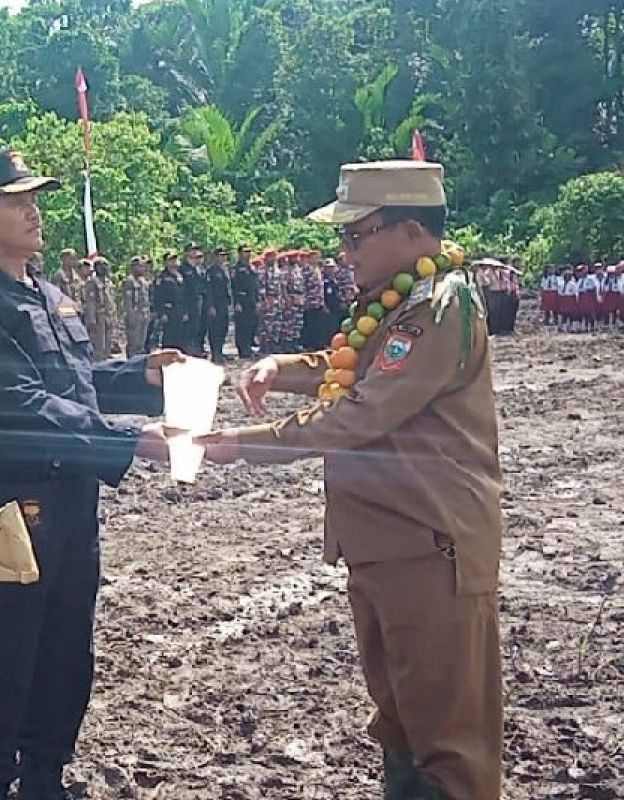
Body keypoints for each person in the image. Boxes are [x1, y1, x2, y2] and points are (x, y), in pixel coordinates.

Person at [200, 160, 504, 800]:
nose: (344, 253)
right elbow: (353, 368)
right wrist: (280, 367)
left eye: (357, 236)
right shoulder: (398, 302)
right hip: (388, 546)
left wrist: (244, 444)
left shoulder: (440, 306)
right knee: (398, 718)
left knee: (449, 742)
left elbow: (364, 411)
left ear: (414, 231)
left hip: (431, 545)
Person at [0, 147, 179, 800]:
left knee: (67, 651)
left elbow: (76, 384)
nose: (33, 211)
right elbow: (23, 405)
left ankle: (45, 777)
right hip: (15, 503)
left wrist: (141, 377)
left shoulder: (49, 296)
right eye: (17, 201)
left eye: (34, 198)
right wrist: (133, 443)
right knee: (6, 656)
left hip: (73, 499)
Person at [152, 251, 187, 351]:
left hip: (179, 310)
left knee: (179, 338)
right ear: (166, 262)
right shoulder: (162, 277)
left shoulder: (180, 276)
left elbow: (184, 295)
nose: (173, 262)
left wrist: (185, 311)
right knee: (168, 338)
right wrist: (162, 313)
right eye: (171, 260)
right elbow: (158, 297)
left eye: (175, 260)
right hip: (168, 310)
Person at [178, 243, 208, 356]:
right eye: (192, 250)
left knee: (200, 327)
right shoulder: (183, 269)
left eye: (196, 250)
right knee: (190, 328)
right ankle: (189, 351)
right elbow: (182, 290)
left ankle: (198, 348)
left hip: (199, 300)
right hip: (189, 302)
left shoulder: (199, 268)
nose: (194, 252)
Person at [205, 246, 233, 363]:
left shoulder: (226, 269)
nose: (223, 257)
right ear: (215, 257)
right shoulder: (211, 271)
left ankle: (220, 351)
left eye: (224, 255)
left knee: (224, 328)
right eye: (220, 255)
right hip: (215, 304)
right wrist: (210, 305)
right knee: (215, 329)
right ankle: (215, 353)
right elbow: (209, 289)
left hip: (224, 303)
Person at [231, 245, 259, 358]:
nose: (247, 254)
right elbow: (234, 286)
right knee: (242, 326)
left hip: (252, 300)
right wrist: (236, 302)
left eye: (249, 251)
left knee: (251, 325)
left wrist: (257, 300)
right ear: (239, 254)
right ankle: (243, 350)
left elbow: (255, 285)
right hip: (241, 301)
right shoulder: (236, 269)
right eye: (245, 252)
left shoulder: (252, 268)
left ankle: (249, 347)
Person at [122, 256, 151, 357]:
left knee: (141, 343)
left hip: (144, 314)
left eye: (143, 266)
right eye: (140, 266)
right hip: (135, 314)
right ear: (133, 267)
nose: (143, 269)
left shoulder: (144, 281)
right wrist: (130, 317)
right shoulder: (129, 281)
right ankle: (131, 362)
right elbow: (128, 301)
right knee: (133, 342)